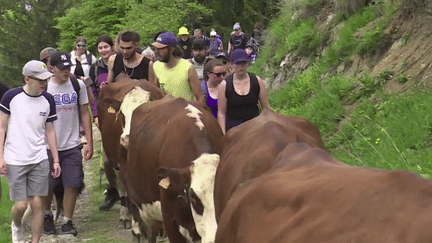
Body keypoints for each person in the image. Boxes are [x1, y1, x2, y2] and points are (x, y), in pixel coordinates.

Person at [0, 60, 60, 243]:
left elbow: (50, 130)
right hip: (15, 158)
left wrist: (55, 159)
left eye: (46, 79)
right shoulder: (11, 97)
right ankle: (16, 225)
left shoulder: (48, 99)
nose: (44, 83)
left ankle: (35, 240)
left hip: (39, 158)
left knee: (37, 203)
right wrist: (0, 156)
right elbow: (1, 126)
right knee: (21, 205)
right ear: (27, 79)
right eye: (40, 79)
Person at [42, 51, 93, 236]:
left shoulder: (76, 84)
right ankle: (47, 215)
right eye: (62, 68)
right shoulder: (45, 88)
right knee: (48, 184)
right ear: (52, 69)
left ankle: (67, 221)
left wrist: (89, 142)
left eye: (68, 67)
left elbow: (85, 112)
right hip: (47, 146)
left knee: (72, 183)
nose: (67, 71)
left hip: (72, 144)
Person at [88, 34, 120, 211]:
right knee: (108, 160)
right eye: (100, 48)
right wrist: (95, 115)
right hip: (105, 115)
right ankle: (113, 189)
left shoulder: (120, 63)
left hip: (123, 112)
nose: (103, 51)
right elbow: (92, 93)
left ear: (112, 47)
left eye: (106, 47)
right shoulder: (95, 68)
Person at [217, 49, 269, 133]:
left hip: (255, 126)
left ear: (247, 63)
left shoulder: (256, 81)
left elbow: (266, 108)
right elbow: (221, 113)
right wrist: (223, 134)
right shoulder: (225, 85)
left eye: (243, 63)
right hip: (234, 129)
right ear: (231, 64)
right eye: (237, 63)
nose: (240, 66)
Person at [152, 32, 204, 102]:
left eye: (160, 49)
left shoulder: (188, 68)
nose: (156, 52)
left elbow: (200, 98)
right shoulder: (156, 66)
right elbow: (156, 94)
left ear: (171, 49)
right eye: (155, 48)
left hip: (186, 111)